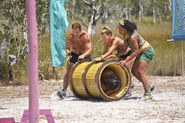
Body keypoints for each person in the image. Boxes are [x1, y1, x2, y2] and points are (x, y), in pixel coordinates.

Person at [118, 19, 155, 100]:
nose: (118, 30)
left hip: (146, 51)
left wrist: (125, 60)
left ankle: (147, 93)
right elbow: (125, 49)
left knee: (140, 72)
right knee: (134, 71)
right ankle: (148, 86)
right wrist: (116, 55)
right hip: (140, 52)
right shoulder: (125, 36)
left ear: (125, 29)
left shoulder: (133, 36)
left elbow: (135, 51)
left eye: (120, 28)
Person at [94, 26, 135, 97]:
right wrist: (101, 60)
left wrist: (101, 57)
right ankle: (131, 85)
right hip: (121, 56)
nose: (104, 39)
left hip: (130, 54)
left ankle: (129, 90)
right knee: (120, 72)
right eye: (103, 38)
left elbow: (110, 52)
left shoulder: (116, 40)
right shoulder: (106, 43)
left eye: (105, 37)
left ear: (110, 35)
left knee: (125, 71)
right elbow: (104, 53)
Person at [57, 22, 92, 99]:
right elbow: (67, 48)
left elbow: (89, 50)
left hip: (85, 54)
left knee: (87, 72)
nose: (75, 35)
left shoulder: (85, 36)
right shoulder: (70, 36)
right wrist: (68, 54)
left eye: (77, 32)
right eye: (74, 32)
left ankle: (87, 90)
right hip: (75, 54)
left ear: (80, 31)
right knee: (68, 70)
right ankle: (63, 91)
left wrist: (83, 55)